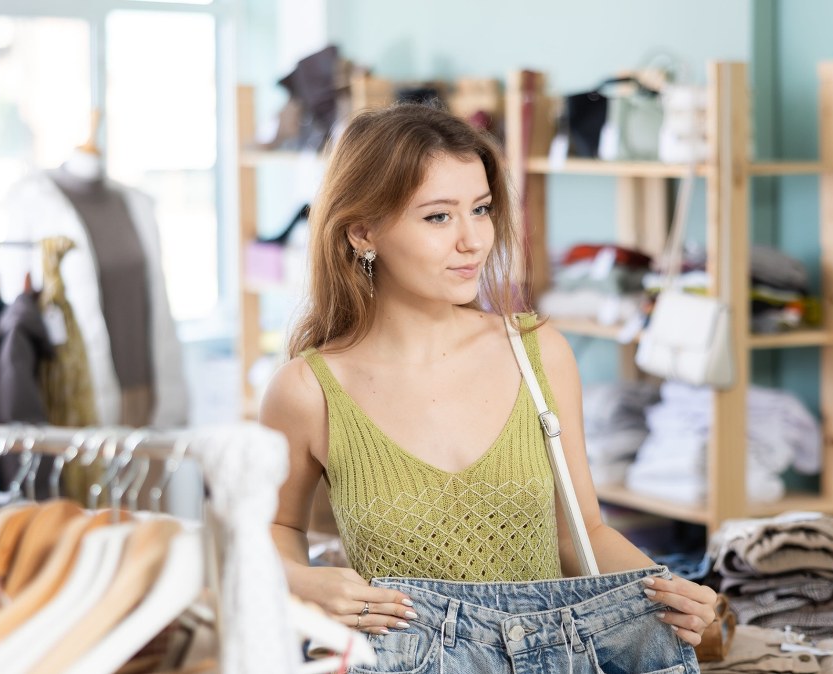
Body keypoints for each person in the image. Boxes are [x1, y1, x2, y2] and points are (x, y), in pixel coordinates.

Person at [260, 102, 717, 651]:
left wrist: (671, 590)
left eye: (480, 209)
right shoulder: (307, 389)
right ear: (362, 232)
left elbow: (582, 534)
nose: (474, 240)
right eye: (438, 217)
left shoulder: (537, 353)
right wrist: (304, 579)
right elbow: (275, 527)